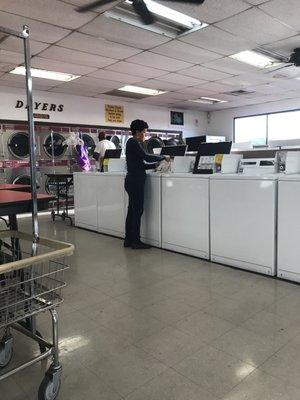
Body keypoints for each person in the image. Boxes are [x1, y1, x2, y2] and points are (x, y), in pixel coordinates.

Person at [125, 119, 170, 249]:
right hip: (135, 182)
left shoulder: (131, 143)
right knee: (137, 211)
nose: (145, 134)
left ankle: (128, 240)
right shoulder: (134, 142)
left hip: (132, 180)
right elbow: (146, 156)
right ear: (138, 132)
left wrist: (154, 165)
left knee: (132, 212)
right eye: (144, 132)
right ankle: (136, 242)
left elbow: (139, 165)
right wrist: (163, 157)